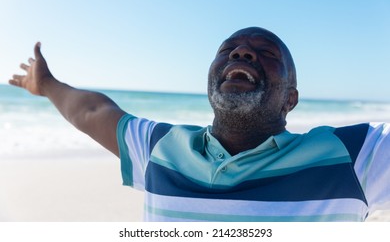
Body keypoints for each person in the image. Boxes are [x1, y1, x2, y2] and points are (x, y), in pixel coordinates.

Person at [9, 27, 390, 222]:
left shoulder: (356, 157)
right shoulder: (161, 148)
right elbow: (92, 112)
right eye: (228, 50)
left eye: (266, 53)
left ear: (290, 98)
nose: (241, 53)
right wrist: (46, 85)